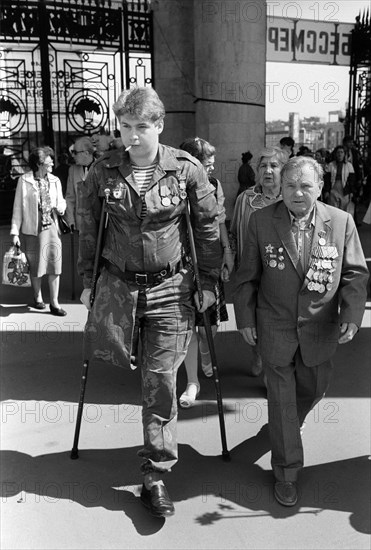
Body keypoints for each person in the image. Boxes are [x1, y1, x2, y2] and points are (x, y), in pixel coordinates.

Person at [77, 87, 221, 518]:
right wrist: (87, 280)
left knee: (159, 379)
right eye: (125, 127)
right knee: (123, 362)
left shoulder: (186, 170)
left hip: (171, 288)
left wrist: (209, 282)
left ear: (159, 126)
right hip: (119, 287)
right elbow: (88, 228)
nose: (133, 136)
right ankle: (155, 453)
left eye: (142, 127)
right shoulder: (102, 172)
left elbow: (208, 228)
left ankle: (155, 473)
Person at [233, 155, 368, 507]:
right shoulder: (262, 221)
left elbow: (355, 273)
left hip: (320, 330)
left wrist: (352, 315)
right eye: (290, 186)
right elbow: (247, 275)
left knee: (314, 388)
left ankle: (289, 424)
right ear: (281, 187)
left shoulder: (341, 222)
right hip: (274, 326)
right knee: (281, 403)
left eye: (306, 186)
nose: (297, 193)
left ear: (320, 188)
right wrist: (245, 318)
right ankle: (286, 471)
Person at [177, 137, 234, 408]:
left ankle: (206, 354)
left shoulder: (213, 185)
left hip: (208, 258)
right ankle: (192, 380)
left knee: (208, 325)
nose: (211, 169)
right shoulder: (171, 185)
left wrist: (227, 251)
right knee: (189, 326)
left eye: (212, 165)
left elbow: (219, 220)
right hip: (180, 262)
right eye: (206, 165)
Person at [230, 146, 288, 377]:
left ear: (284, 170)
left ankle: (272, 366)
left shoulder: (291, 197)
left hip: (282, 274)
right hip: (251, 270)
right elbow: (233, 232)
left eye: (274, 165)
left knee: (276, 321)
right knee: (251, 318)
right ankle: (257, 354)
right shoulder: (246, 199)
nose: (268, 170)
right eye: (263, 165)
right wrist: (229, 261)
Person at [10, 146, 67, 316]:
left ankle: (55, 303)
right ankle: (38, 297)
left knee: (55, 265)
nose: (52, 162)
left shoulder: (55, 180)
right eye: (49, 160)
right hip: (32, 230)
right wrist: (15, 232)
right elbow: (18, 208)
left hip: (52, 229)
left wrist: (61, 208)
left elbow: (62, 201)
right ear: (39, 163)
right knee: (36, 267)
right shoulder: (24, 180)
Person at [65, 136, 95, 232]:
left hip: (98, 223)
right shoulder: (73, 170)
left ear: (86, 153)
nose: (73, 156)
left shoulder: (102, 167)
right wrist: (70, 220)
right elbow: (70, 198)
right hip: (80, 225)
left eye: (75, 152)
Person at [323, 145, 355, 214]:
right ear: (335, 154)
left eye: (341, 152)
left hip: (345, 190)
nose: (340, 154)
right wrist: (327, 191)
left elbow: (351, 180)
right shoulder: (331, 165)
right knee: (333, 210)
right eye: (338, 152)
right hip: (333, 189)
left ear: (344, 154)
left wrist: (351, 192)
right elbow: (327, 180)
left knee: (344, 210)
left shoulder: (349, 165)